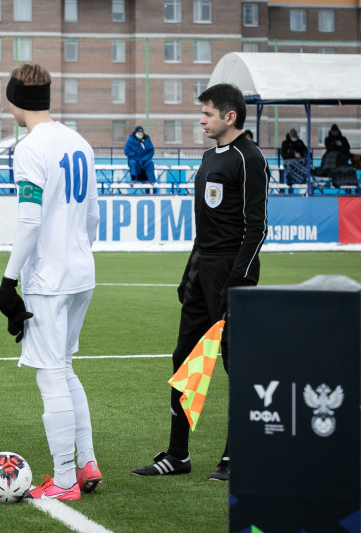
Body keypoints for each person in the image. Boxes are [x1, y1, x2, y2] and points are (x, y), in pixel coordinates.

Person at [131, 83, 269, 482]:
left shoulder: (251, 158)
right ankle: (178, 455)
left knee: (234, 366)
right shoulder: (209, 157)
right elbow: (204, 226)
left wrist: (237, 278)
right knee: (186, 360)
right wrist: (188, 272)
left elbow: (257, 228)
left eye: (207, 113)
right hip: (201, 270)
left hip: (232, 273)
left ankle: (236, 453)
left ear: (230, 117)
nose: (201, 119)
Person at [0, 63, 101, 501]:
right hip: (81, 272)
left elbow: (29, 221)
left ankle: (62, 480)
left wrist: (7, 281)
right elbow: (93, 215)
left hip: (49, 278)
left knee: (50, 375)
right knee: (65, 368)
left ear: (14, 100)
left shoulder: (30, 148)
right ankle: (86, 462)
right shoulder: (79, 141)